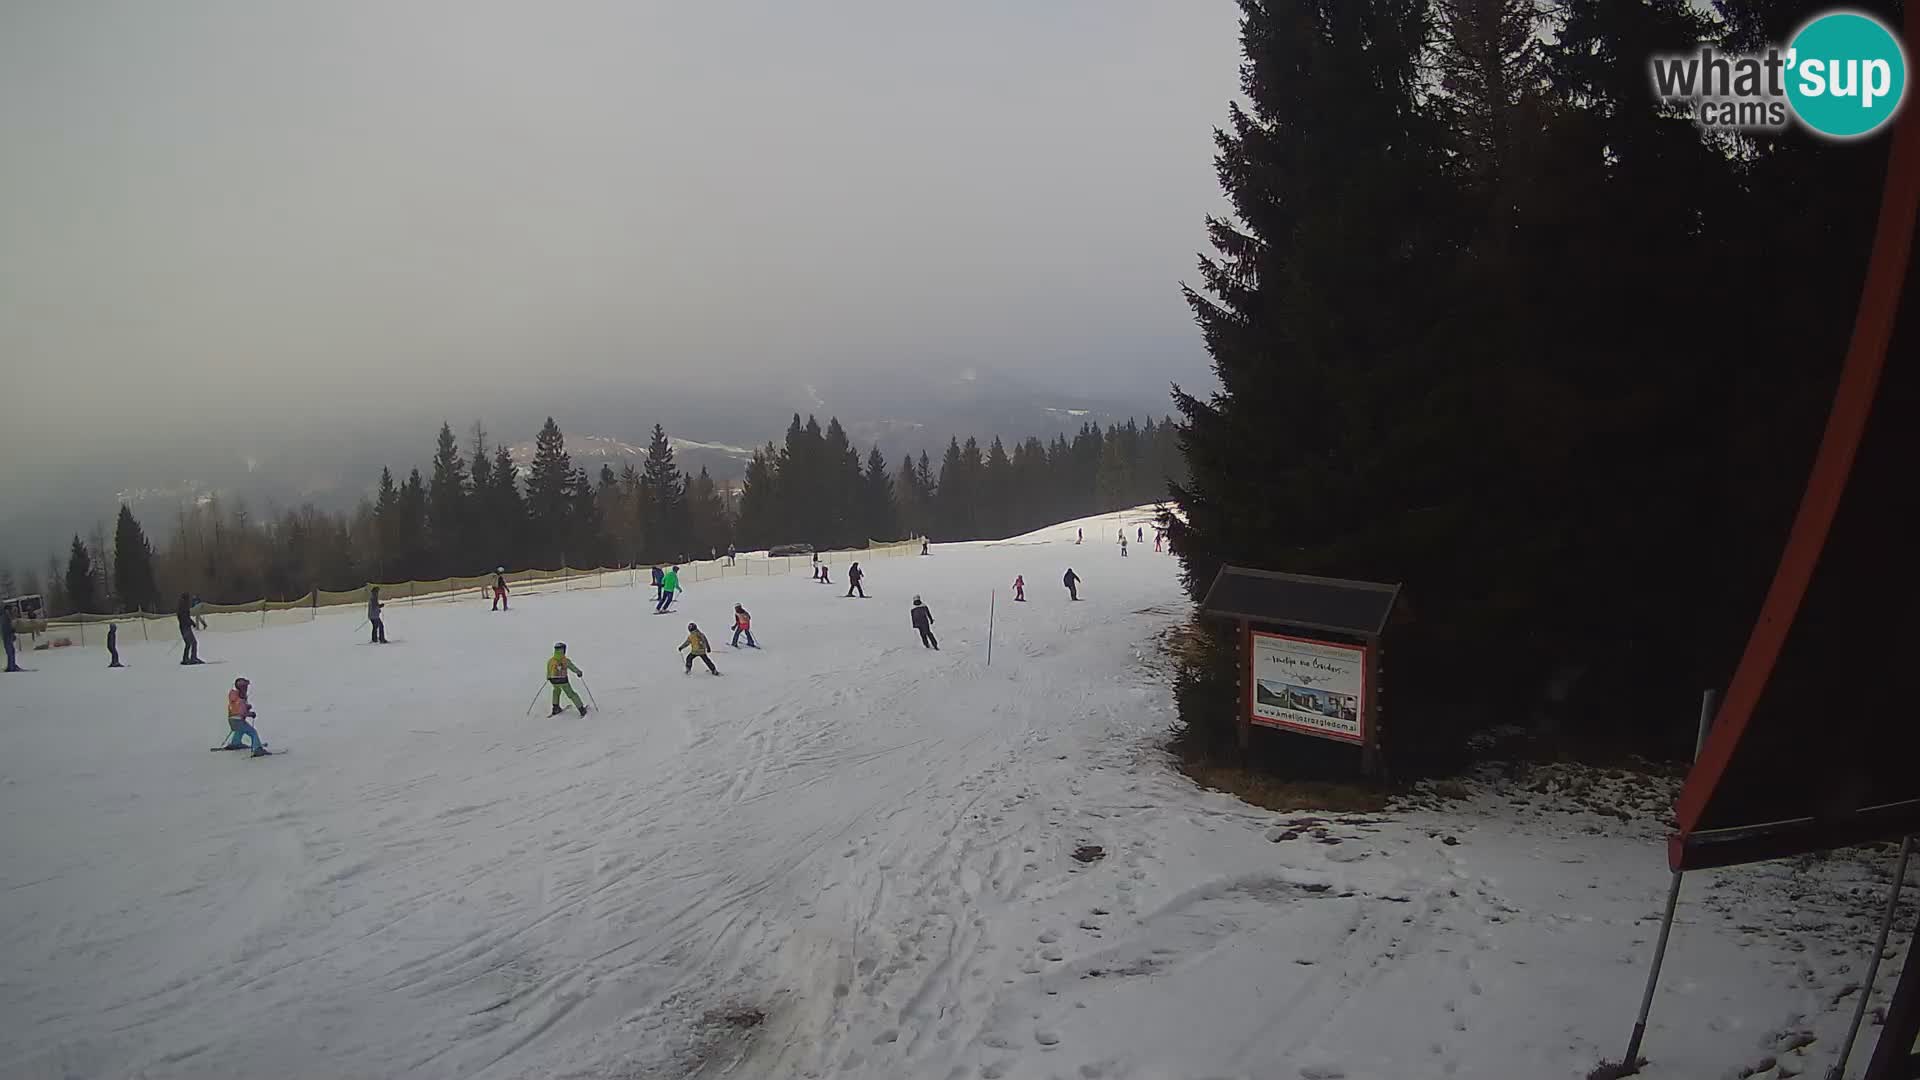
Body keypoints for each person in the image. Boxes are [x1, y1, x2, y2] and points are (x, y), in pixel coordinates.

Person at [213, 677, 269, 755]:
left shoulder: (234, 696)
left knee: (239, 730)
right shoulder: (241, 699)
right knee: (253, 732)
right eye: (245, 687)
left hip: (231, 719)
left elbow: (236, 707)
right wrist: (251, 714)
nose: (246, 689)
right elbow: (242, 712)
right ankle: (257, 748)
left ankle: (235, 743)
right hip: (238, 720)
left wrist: (246, 706)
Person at [546, 643, 588, 716]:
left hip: (554, 681)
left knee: (556, 691)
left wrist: (548, 677)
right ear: (563, 650)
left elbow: (549, 670)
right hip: (563, 680)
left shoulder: (551, 661)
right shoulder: (565, 660)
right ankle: (581, 709)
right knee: (571, 694)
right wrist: (578, 672)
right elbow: (572, 667)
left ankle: (555, 708)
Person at [176, 592, 202, 664]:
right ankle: (192, 658)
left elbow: (185, 617)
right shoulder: (183, 607)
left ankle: (186, 658)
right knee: (193, 643)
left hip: (185, 627)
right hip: (185, 628)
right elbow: (184, 618)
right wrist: (190, 623)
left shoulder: (182, 606)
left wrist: (192, 622)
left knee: (189, 643)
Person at [2, 604, 21, 673]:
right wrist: (11, 630)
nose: (10, 611)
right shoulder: (4, 617)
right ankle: (11, 667)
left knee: (12, 651)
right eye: (9, 610)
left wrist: (13, 634)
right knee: (10, 652)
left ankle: (12, 665)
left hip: (8, 636)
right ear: (6, 610)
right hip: (7, 637)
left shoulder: (7, 617)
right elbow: (5, 628)